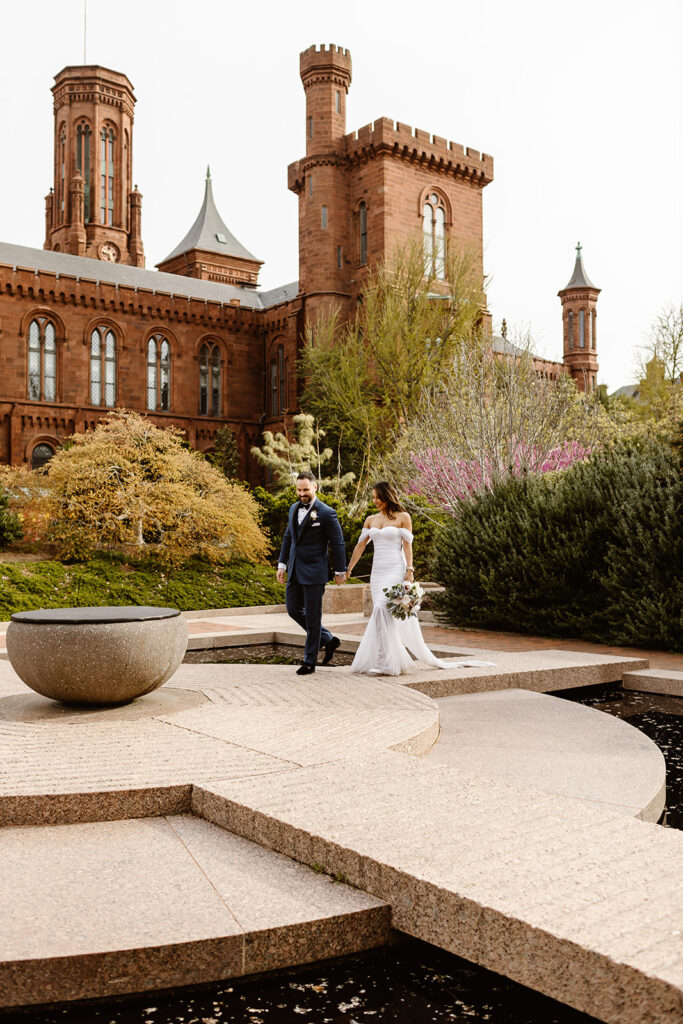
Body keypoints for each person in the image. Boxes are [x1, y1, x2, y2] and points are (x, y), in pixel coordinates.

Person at [345, 481, 494, 676]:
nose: (375, 501)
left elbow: (407, 546)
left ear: (387, 496)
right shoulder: (371, 519)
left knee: (382, 609)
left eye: (377, 497)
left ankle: (388, 663)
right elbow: (360, 546)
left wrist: (410, 570)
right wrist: (348, 570)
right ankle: (385, 660)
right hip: (377, 572)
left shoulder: (403, 517)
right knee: (381, 614)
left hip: (395, 569)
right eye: (373, 497)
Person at [277, 471, 347, 675]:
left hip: (315, 571)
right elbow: (288, 538)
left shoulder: (326, 512)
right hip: (295, 570)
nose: (302, 494)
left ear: (315, 487)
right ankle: (327, 639)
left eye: (306, 489)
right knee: (292, 609)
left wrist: (340, 570)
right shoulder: (292, 509)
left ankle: (309, 662)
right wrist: (282, 564)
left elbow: (338, 542)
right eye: (299, 490)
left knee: (313, 617)